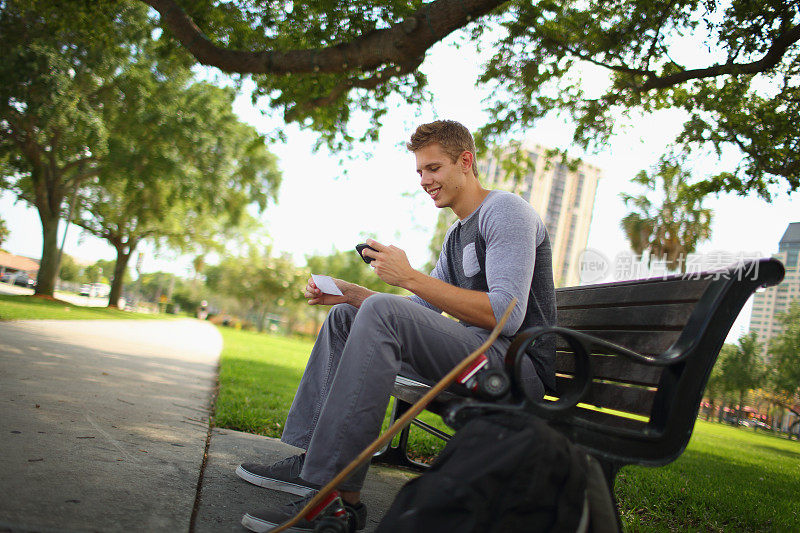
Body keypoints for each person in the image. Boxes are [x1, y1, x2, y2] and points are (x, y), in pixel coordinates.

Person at [238, 120, 556, 532]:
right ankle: (313, 460)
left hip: (513, 366)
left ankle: (339, 502)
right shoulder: (456, 236)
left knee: (382, 312)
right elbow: (416, 310)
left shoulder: (506, 211)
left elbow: (506, 316)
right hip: (474, 354)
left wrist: (407, 275)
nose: (425, 180)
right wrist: (353, 294)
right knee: (345, 317)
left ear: (466, 161)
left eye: (434, 169)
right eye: (420, 172)